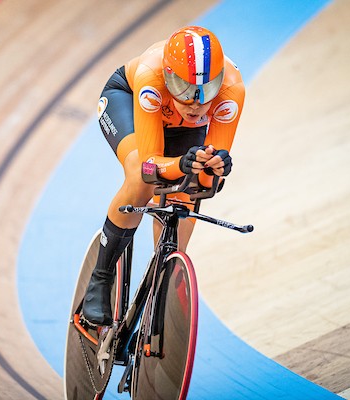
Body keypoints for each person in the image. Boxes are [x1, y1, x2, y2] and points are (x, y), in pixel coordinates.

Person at [83, 26, 245, 326]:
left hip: (182, 126)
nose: (195, 103)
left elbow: (208, 184)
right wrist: (182, 165)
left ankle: (164, 282)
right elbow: (149, 167)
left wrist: (216, 168)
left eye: (206, 91)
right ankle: (101, 278)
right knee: (139, 180)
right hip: (130, 102)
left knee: (186, 197)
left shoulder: (231, 91)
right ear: (169, 77)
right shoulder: (150, 78)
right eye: (183, 90)